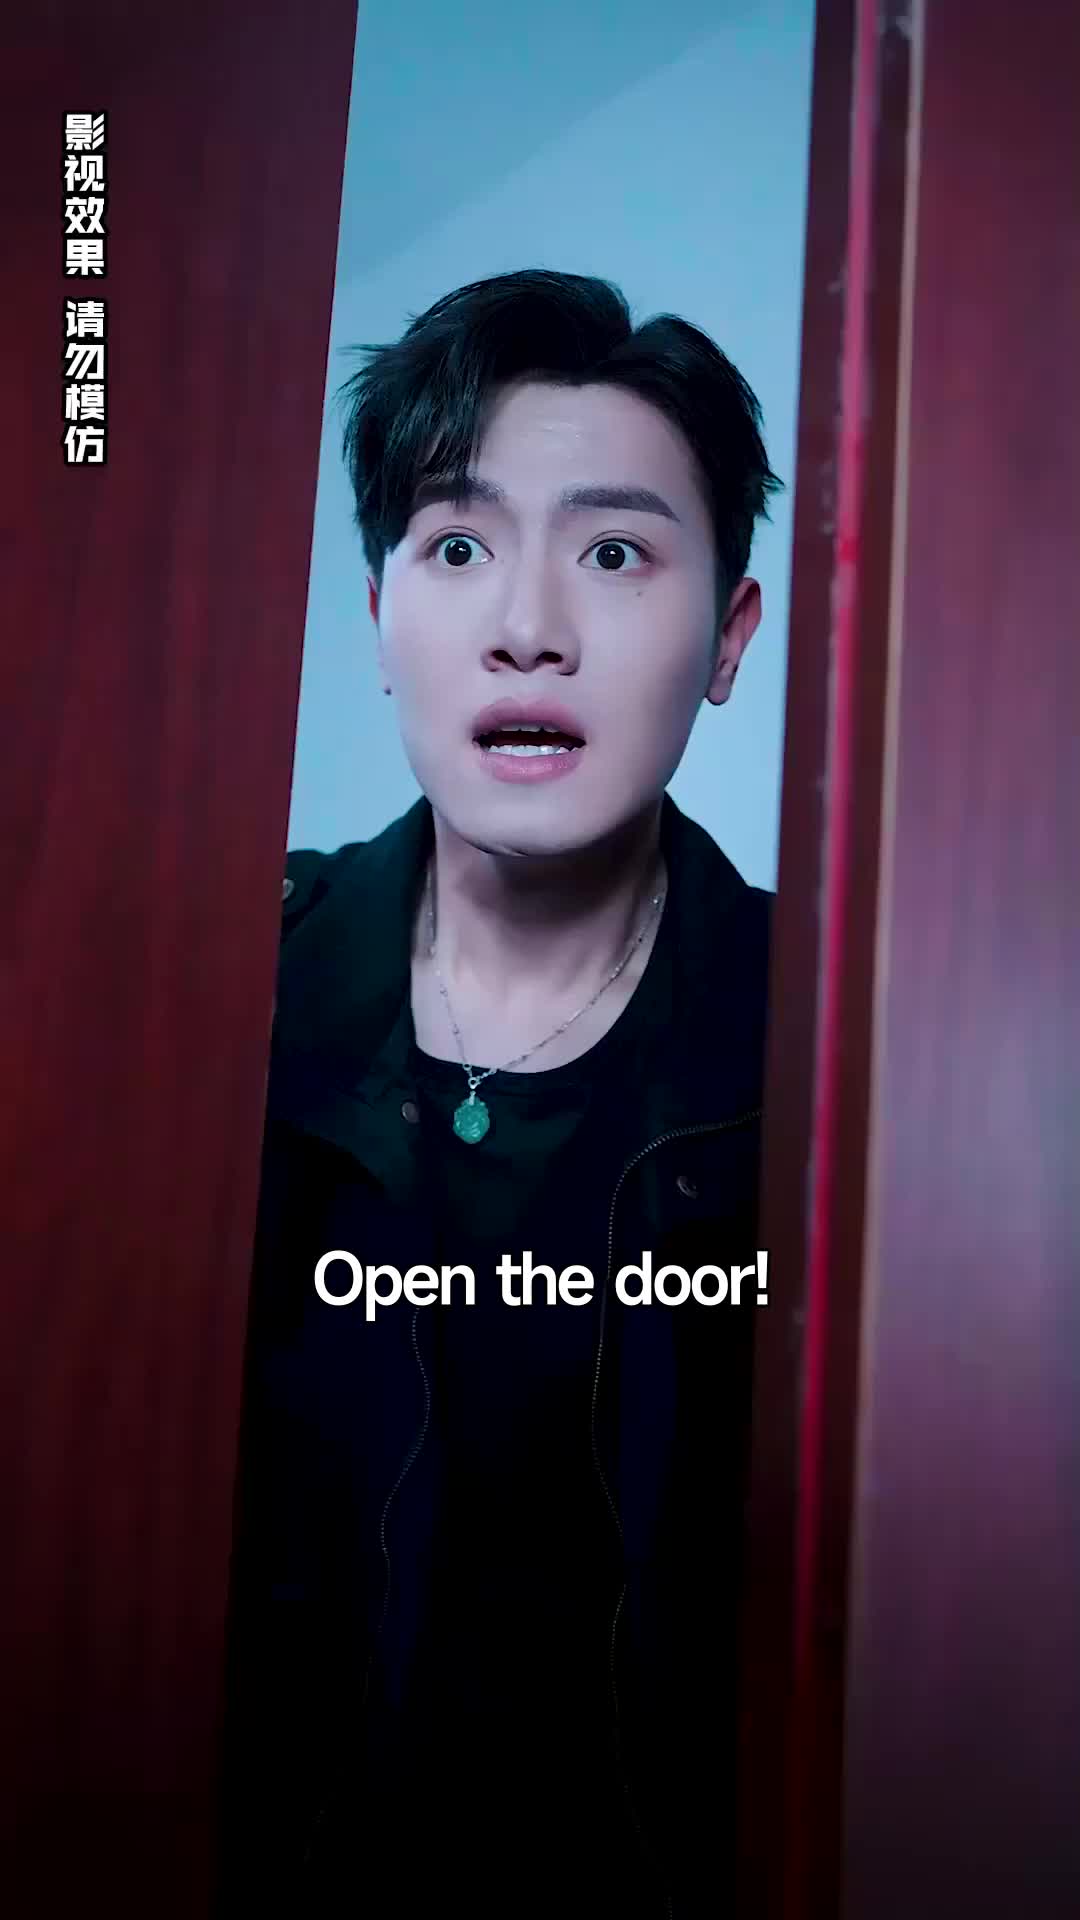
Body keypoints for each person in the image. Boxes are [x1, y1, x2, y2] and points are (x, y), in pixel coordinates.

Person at [217, 268, 783, 1919]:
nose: (528, 625)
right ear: (379, 613)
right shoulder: (211, 995)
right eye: (458, 548)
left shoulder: (839, 1045)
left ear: (730, 635)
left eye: (614, 554)